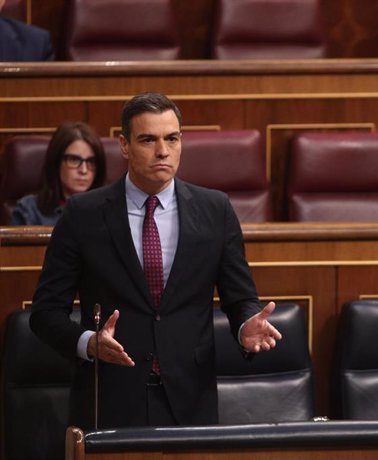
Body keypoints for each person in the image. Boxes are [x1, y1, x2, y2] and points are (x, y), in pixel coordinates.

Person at [29, 92, 282, 429]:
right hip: (110, 398)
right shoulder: (83, 215)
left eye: (172, 138)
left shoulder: (215, 210)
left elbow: (241, 299)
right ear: (124, 145)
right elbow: (45, 313)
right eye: (148, 139)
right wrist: (88, 343)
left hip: (191, 400)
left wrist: (245, 326)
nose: (163, 150)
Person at [11, 121, 106, 225]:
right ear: (56, 161)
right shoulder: (29, 211)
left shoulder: (111, 208)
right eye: (74, 160)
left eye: (91, 161)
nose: (83, 170)